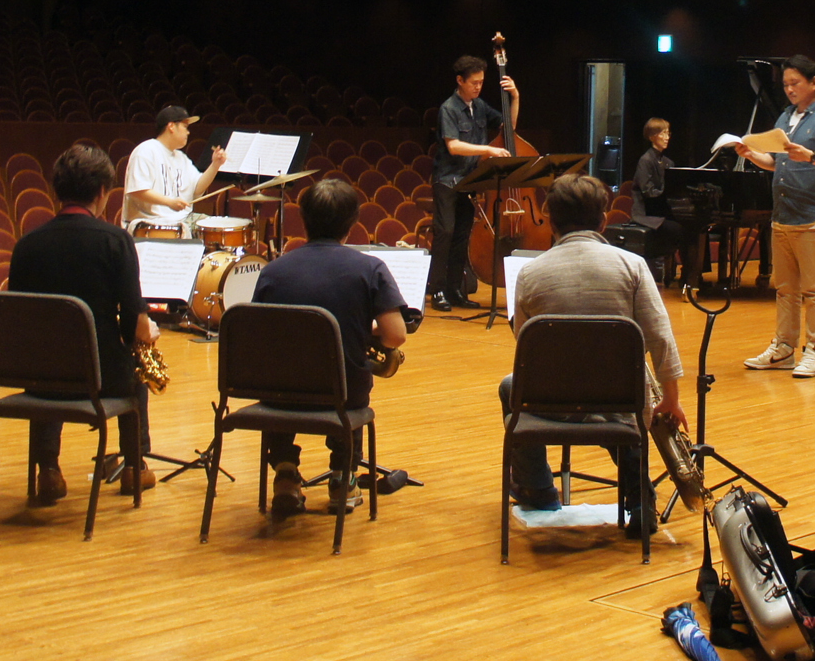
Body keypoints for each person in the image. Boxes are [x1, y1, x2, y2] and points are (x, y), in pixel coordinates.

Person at [501, 174, 687, 530]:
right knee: (623, 406)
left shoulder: (529, 273)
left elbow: (524, 346)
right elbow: (661, 337)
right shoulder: (633, 266)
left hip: (551, 401)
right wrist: (671, 399)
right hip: (621, 400)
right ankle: (639, 497)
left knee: (510, 387)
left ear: (551, 222)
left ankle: (537, 490)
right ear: (603, 221)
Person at [251, 177, 410, 516]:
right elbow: (396, 336)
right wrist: (362, 327)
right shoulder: (369, 268)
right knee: (351, 377)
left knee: (284, 373)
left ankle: (285, 475)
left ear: (304, 219)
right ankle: (343, 478)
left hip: (278, 394)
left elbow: (261, 334)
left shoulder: (272, 271)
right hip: (342, 394)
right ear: (352, 224)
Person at [7, 143, 157, 501]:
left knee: (49, 355)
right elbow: (134, 324)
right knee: (135, 364)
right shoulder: (116, 241)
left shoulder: (27, 245)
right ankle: (134, 467)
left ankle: (48, 471)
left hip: (40, 378)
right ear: (102, 192)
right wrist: (147, 332)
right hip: (100, 378)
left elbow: (20, 321)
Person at [737, 55, 815, 378]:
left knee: (814, 289)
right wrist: (751, 154)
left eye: (795, 83)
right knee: (785, 289)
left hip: (813, 216)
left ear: (814, 83)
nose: (789, 89)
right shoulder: (786, 116)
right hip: (783, 215)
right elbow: (777, 162)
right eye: (785, 84)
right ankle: (784, 348)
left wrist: (811, 156)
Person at [428, 53, 518, 310]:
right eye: (474, 83)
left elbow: (509, 127)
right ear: (460, 81)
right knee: (445, 233)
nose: (479, 87)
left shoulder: (479, 106)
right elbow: (454, 146)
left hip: (470, 180)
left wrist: (515, 97)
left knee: (462, 236)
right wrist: (487, 150)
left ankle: (455, 290)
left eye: (481, 82)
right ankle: (437, 290)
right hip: (447, 180)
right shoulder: (448, 108)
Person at [120, 105, 227, 238]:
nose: (188, 132)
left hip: (181, 219)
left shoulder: (181, 158)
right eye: (185, 127)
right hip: (149, 223)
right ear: (171, 126)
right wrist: (169, 202)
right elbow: (138, 190)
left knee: (218, 228)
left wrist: (215, 165)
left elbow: (197, 189)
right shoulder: (145, 151)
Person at [626, 116, 684, 282]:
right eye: (662, 133)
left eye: (668, 133)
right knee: (679, 229)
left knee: (694, 228)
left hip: (661, 212)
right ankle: (684, 273)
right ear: (652, 136)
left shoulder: (668, 162)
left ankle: (694, 273)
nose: (667, 137)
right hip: (646, 215)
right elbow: (648, 192)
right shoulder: (645, 161)